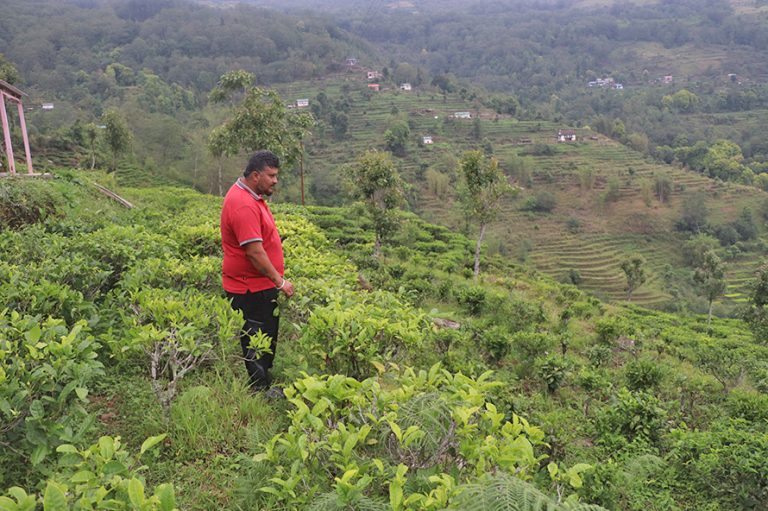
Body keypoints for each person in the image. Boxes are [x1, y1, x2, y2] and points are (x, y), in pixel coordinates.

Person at [220, 150, 294, 394]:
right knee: (255, 338)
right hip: (250, 287)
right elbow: (254, 252)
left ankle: (264, 382)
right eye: (271, 176)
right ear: (255, 176)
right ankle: (260, 391)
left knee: (265, 335)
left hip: (258, 285)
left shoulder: (250, 197)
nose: (275, 180)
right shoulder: (243, 205)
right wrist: (280, 282)